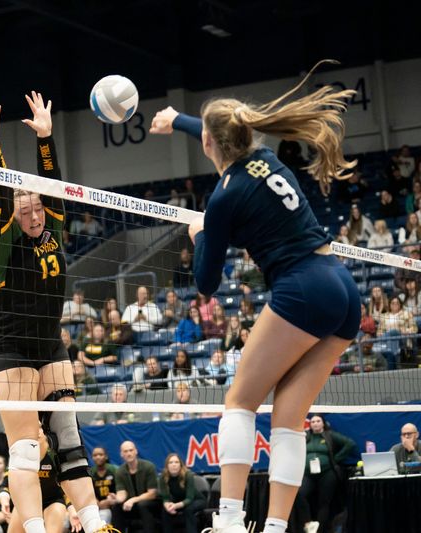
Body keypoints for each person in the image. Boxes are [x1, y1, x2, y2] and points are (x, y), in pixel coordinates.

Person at [151, 62, 363, 533]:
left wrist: (200, 233)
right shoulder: (269, 160)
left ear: (209, 143)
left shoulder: (223, 198)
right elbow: (222, 130)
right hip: (343, 289)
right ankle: (273, 529)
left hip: (303, 289)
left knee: (240, 403)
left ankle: (228, 522)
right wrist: (178, 121)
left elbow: (206, 285)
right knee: (288, 419)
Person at [0, 92, 110, 533]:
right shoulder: (4, 239)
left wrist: (46, 138)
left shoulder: (51, 226)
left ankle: (93, 524)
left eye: (36, 207)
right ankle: (32, 528)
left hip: (49, 342)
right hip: (10, 347)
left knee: (68, 437)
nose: (33, 214)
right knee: (27, 448)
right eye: (25, 209)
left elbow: (50, 180)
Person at [2, 428, 80, 533]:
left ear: (45, 436)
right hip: (27, 501)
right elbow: (7, 481)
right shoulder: (21, 454)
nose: (36, 433)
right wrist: (4, 498)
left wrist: (71, 508)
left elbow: (66, 483)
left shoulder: (53, 456)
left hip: (53, 501)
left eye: (39, 430)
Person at [294, 414, 355, 533]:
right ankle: (308, 524)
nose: (315, 423)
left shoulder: (330, 435)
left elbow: (350, 444)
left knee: (324, 502)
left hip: (327, 473)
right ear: (310, 424)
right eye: (313, 422)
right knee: (300, 495)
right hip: (307, 473)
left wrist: (335, 459)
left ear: (323, 423)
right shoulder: (306, 436)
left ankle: (320, 529)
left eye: (318, 421)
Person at [110, 441, 158, 533]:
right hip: (132, 504)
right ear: (121, 454)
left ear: (136, 451)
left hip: (151, 503)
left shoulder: (148, 466)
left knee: (142, 505)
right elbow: (122, 493)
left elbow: (152, 494)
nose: (128, 453)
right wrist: (117, 499)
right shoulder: (120, 471)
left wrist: (133, 500)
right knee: (116, 507)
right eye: (125, 451)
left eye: (131, 450)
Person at [158, 453, 206, 533]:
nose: (174, 465)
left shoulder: (188, 475)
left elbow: (189, 498)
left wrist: (175, 506)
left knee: (189, 509)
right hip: (179, 502)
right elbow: (165, 497)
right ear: (167, 466)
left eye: (176, 462)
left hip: (196, 500)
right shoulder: (163, 477)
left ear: (181, 465)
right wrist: (167, 506)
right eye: (171, 462)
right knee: (165, 510)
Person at [89, 447, 117, 525]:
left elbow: (121, 489)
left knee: (105, 515)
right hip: (96, 504)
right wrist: (95, 501)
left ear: (106, 456)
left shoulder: (114, 470)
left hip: (112, 503)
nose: (98, 457)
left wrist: (110, 499)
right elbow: (88, 491)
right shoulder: (90, 472)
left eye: (100, 454)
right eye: (95, 455)